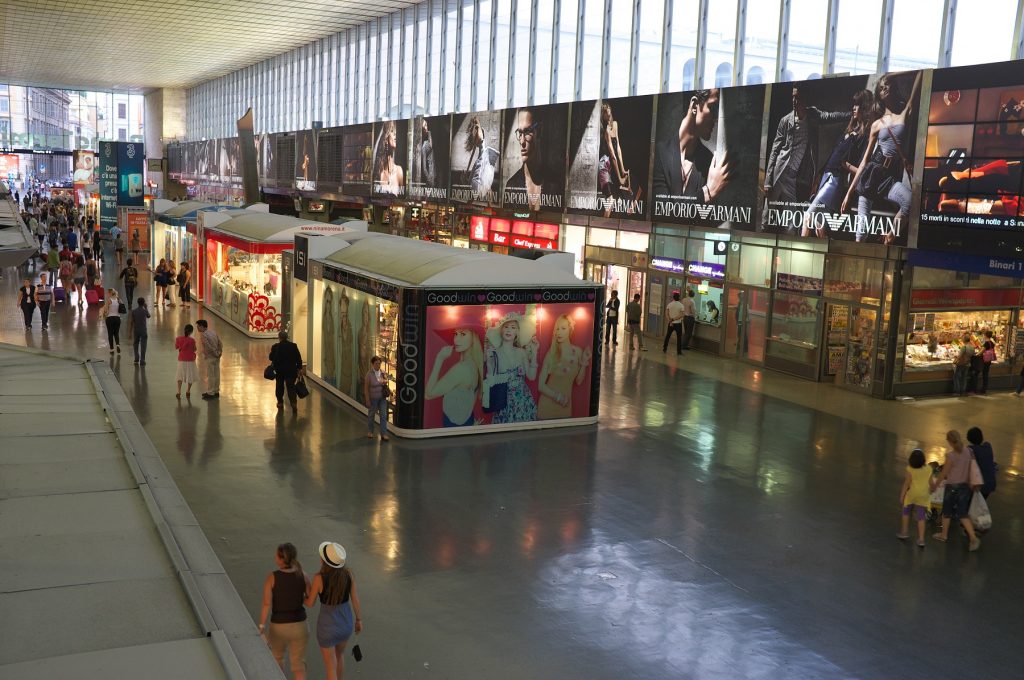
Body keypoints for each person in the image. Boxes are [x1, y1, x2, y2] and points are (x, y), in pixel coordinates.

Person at [842, 71, 923, 244]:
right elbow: (864, 161)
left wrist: (891, 75)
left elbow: (920, 75)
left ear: (893, 88)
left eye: (887, 85)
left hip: (888, 177)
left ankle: (889, 237)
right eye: (881, 87)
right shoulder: (877, 124)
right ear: (879, 94)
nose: (884, 88)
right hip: (872, 173)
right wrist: (849, 193)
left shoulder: (904, 114)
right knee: (860, 235)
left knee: (910, 202)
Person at [765, 86, 853, 211]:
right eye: (793, 97)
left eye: (798, 97)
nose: (794, 101)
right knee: (768, 210)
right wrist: (768, 181)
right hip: (780, 170)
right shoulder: (785, 121)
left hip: (794, 175)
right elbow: (775, 150)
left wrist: (851, 115)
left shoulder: (812, 115)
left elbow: (831, 116)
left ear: (805, 99)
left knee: (791, 217)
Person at [802, 90, 875, 237]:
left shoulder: (865, 136)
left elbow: (863, 168)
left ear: (865, 107)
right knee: (819, 225)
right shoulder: (850, 127)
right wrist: (819, 175)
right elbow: (833, 154)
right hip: (827, 176)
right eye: (853, 104)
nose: (854, 108)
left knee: (808, 217)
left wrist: (846, 166)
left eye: (858, 105)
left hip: (835, 181)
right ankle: (823, 256)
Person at [652, 89, 730, 205]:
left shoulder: (710, 164)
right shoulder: (659, 153)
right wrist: (708, 192)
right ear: (694, 105)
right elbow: (660, 210)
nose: (716, 118)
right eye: (713, 108)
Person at [304, 542, 362, 680]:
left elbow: (310, 603)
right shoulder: (348, 575)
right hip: (345, 625)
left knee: (330, 667)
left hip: (327, 628)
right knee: (339, 656)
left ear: (323, 560)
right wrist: (359, 620)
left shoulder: (319, 578)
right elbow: (355, 600)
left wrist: (301, 597)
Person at [259, 543, 310, 680]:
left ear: (281, 559)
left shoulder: (272, 577)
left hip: (279, 627)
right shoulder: (303, 575)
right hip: (300, 626)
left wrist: (262, 626)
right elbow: (309, 598)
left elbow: (266, 603)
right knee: (299, 666)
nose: (275, 558)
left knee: (277, 660)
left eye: (276, 555)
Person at [929, 430, 981, 551]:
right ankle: (973, 538)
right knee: (962, 513)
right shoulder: (969, 451)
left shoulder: (951, 456)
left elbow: (943, 474)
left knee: (947, 511)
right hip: (965, 487)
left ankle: (944, 535)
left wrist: (935, 485)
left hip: (952, 487)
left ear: (949, 441)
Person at [483, 313, 539, 424]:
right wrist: (489, 362)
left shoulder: (521, 352)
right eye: (506, 327)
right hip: (503, 402)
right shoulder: (495, 353)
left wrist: (535, 352)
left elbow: (531, 377)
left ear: (517, 333)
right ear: (501, 330)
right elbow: (491, 381)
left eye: (513, 328)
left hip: (523, 401)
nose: (509, 330)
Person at [425, 326, 484, 427]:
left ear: (473, 339)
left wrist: (439, 359)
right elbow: (469, 401)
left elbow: (428, 394)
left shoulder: (461, 368)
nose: (456, 339)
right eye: (455, 334)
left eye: (463, 334)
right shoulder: (474, 364)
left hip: (453, 428)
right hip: (466, 422)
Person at [537, 314, 592, 420]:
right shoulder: (551, 354)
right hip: (547, 406)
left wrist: (584, 362)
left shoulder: (578, 352)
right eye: (557, 329)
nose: (559, 332)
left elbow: (579, 381)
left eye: (563, 328)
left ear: (570, 330)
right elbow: (540, 385)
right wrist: (558, 397)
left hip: (565, 407)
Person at [504, 108, 560, 211]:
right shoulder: (511, 185)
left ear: (539, 131)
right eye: (520, 133)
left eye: (527, 132)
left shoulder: (555, 184)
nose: (522, 141)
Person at [598, 103, 634, 218]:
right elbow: (612, 156)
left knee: (613, 200)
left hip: (611, 166)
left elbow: (618, 148)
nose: (609, 117)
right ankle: (603, 225)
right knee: (610, 200)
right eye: (606, 115)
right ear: (603, 116)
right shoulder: (606, 131)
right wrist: (620, 178)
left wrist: (623, 170)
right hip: (604, 165)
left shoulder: (615, 124)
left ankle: (604, 223)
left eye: (609, 114)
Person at [897, 448, 931, 547]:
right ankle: (921, 539)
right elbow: (931, 483)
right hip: (923, 495)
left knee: (906, 511)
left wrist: (902, 495)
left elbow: (907, 483)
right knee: (921, 516)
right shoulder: (928, 469)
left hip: (912, 494)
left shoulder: (910, 469)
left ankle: (904, 532)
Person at [463, 115, 499, 200]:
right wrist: (477, 124)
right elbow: (480, 140)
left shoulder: (479, 131)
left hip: (483, 158)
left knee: (486, 186)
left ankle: (476, 202)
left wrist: (477, 125)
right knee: (484, 186)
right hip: (482, 158)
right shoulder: (477, 131)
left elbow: (480, 139)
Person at [270, 330, 304, 411]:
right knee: (291, 386)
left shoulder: (275, 347)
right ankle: (293, 403)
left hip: (279, 370)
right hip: (291, 370)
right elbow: (298, 358)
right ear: (287, 337)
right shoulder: (293, 346)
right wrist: (299, 368)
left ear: (279, 337)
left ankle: (280, 403)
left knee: (279, 386)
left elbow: (271, 358)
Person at [373, 120, 404, 195]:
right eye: (392, 131)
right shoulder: (379, 173)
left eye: (395, 132)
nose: (395, 134)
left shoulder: (399, 171)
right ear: (386, 139)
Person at [966, 427, 997, 499]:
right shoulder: (988, 446)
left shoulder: (970, 450)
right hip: (990, 483)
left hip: (979, 485)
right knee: (981, 501)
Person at [364, 356, 390, 440]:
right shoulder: (369, 374)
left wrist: (385, 381)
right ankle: (370, 431)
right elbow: (366, 388)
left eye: (379, 363)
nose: (378, 365)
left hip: (382, 398)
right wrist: (367, 399)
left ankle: (384, 434)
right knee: (371, 415)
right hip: (373, 398)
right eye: (376, 363)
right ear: (372, 364)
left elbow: (386, 381)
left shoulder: (382, 372)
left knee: (383, 415)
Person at [196, 319, 223, 400]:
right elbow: (220, 342)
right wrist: (219, 352)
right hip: (217, 356)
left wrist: (214, 353)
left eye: (198, 326)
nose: (197, 328)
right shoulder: (213, 332)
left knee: (211, 375)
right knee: (216, 374)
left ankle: (210, 392)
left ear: (201, 326)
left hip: (211, 357)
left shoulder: (204, 335)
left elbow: (208, 346)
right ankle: (216, 391)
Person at [174, 323, 198, 399]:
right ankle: (188, 391)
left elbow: (176, 347)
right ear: (191, 332)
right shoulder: (192, 340)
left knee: (180, 375)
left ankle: (178, 391)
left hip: (182, 359)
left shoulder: (178, 338)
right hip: (190, 360)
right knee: (190, 375)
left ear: (184, 330)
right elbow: (195, 349)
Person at [129, 297, 150, 365]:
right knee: (143, 345)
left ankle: (136, 357)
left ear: (137, 303)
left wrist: (130, 332)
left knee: (135, 344)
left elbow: (132, 322)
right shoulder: (144, 311)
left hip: (136, 329)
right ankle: (142, 360)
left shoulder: (134, 311)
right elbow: (148, 316)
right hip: (143, 330)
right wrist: (146, 307)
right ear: (143, 303)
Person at [101, 289, 123, 354]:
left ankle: (112, 349)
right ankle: (118, 345)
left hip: (110, 318)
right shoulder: (119, 300)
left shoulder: (109, 300)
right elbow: (121, 308)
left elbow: (106, 311)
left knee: (110, 334)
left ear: (110, 293)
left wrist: (104, 316)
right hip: (117, 318)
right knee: (116, 333)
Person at [979, 330, 996, 394]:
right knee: (986, 374)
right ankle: (985, 388)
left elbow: (982, 351)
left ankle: (983, 389)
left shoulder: (986, 343)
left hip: (985, 360)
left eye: (984, 335)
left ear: (985, 335)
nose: (983, 336)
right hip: (989, 360)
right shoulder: (991, 342)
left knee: (984, 374)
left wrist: (977, 354)